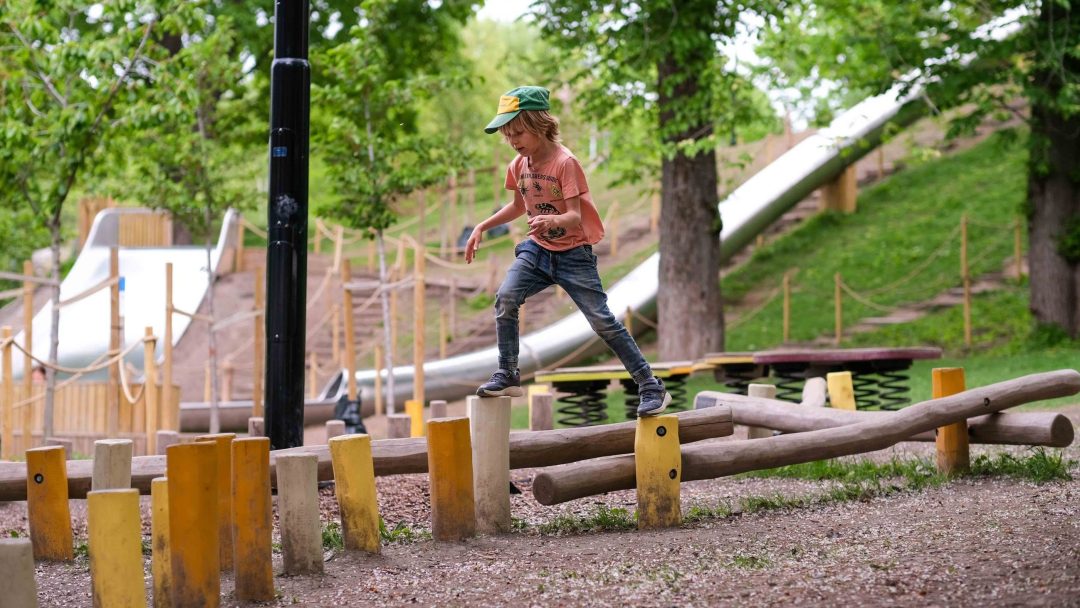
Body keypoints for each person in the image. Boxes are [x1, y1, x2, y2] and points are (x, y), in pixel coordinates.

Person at [464, 85, 671, 417]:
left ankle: (650, 385)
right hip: (537, 250)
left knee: (602, 322)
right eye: (507, 135)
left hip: (574, 254)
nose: (513, 141)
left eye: (518, 133)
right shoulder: (518, 165)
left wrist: (552, 220)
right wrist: (482, 226)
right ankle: (508, 372)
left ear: (540, 125)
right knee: (506, 298)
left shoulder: (565, 163)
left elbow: (574, 215)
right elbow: (518, 206)